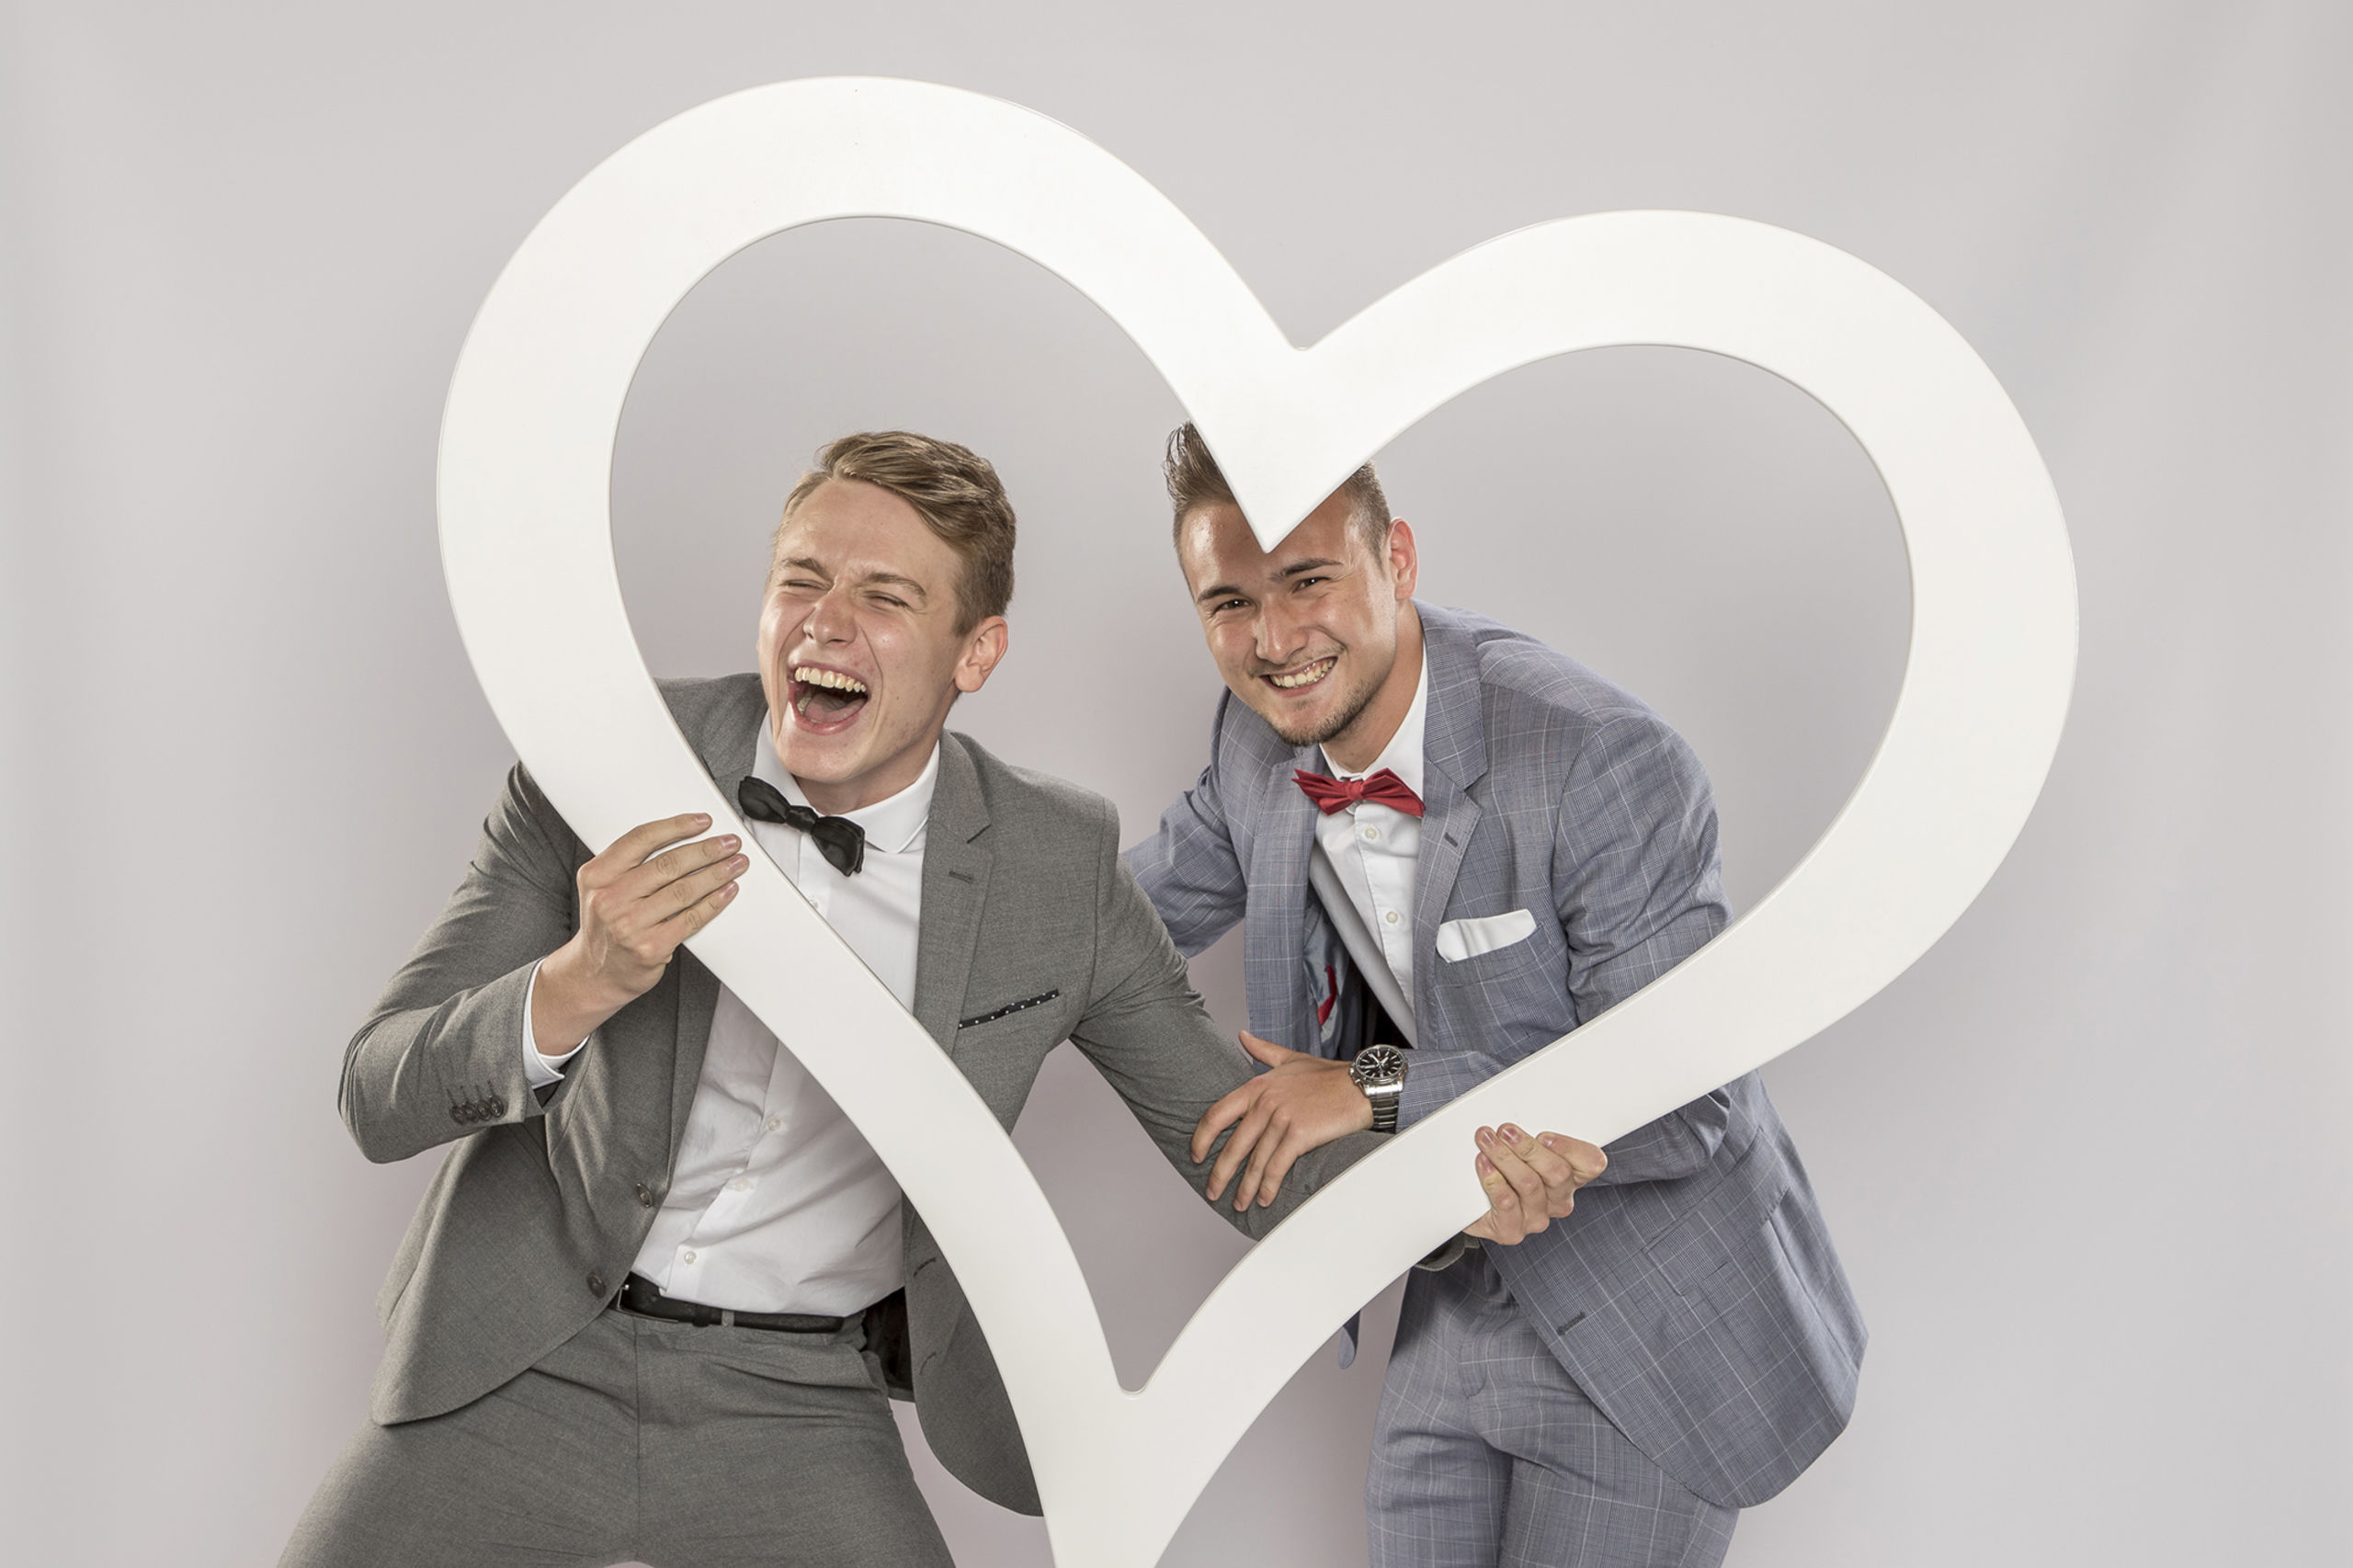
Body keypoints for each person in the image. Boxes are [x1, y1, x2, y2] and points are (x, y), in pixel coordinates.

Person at [283, 430, 1599, 1568]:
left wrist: (1443, 1202)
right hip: (529, 1352)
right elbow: (376, 1092)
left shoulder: (1053, 868)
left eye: (885, 597)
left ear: (978, 653)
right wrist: (578, 983)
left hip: (796, 1398)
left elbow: (1235, 1141)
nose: (825, 623)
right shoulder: (610, 769)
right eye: (801, 579)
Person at [1128, 425, 1869, 1568]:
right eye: (1229, 602)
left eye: (1307, 580)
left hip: (1648, 1317)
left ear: (1397, 558)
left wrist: (1367, 1087)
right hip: (1448, 1292)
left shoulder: (1598, 756)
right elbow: (1112, 930)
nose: (1272, 640)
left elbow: (1683, 1099)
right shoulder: (1254, 741)